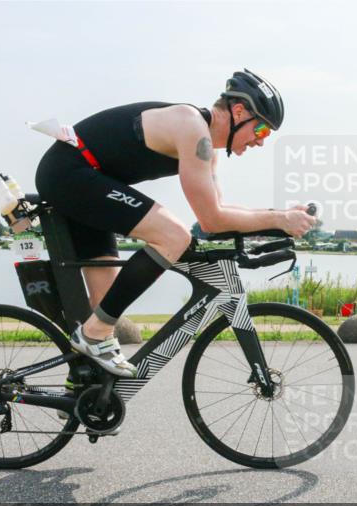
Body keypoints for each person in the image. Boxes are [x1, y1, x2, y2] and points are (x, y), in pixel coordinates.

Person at [34, 69, 314, 377]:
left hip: (91, 181)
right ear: (238, 112)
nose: (260, 142)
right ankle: (92, 335)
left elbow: (219, 212)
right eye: (260, 131)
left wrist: (282, 218)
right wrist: (279, 219)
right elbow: (211, 220)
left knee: (104, 303)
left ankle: (83, 390)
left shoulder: (205, 146)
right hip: (70, 173)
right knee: (174, 237)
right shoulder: (192, 128)